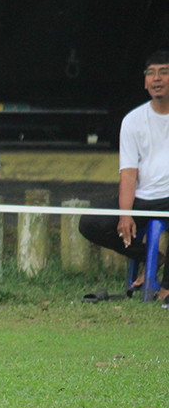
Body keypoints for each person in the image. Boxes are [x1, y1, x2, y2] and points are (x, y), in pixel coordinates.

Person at [79, 50, 169, 305]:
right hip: (142, 199)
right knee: (90, 223)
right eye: (151, 73)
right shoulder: (132, 120)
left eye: (164, 72)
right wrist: (125, 214)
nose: (156, 78)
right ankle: (151, 257)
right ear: (145, 81)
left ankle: (166, 288)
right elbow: (128, 173)